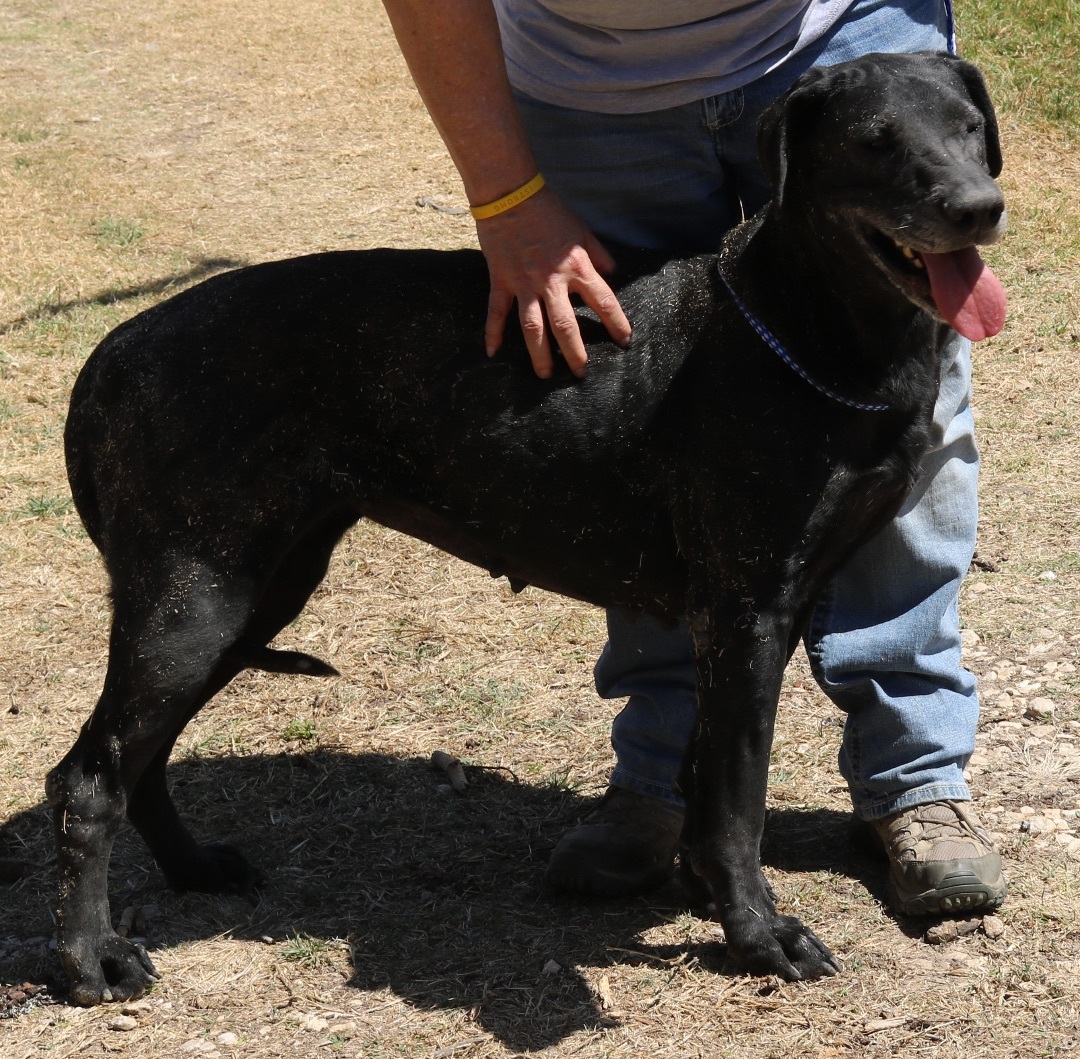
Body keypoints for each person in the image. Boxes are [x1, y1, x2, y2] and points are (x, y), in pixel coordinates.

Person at [380, 0, 1006, 917]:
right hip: (594, 83)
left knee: (906, 412)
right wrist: (507, 194)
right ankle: (666, 775)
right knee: (645, 417)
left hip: (842, 29)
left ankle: (914, 777)